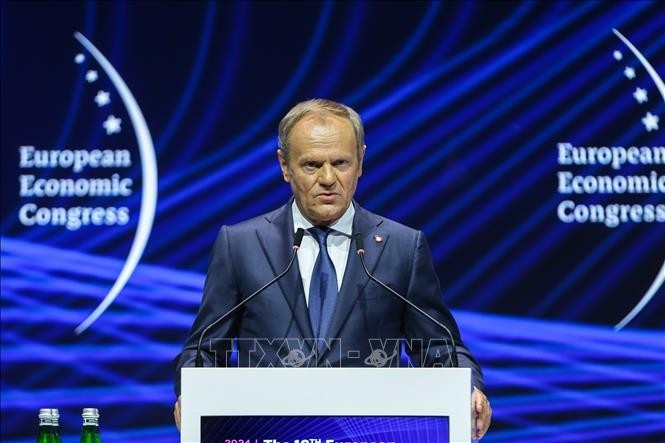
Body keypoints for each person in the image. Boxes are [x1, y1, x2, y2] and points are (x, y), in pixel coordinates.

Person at [173, 98, 492, 439]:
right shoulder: (241, 245)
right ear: (284, 165)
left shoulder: (402, 246)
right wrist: (191, 394)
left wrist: (470, 389)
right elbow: (204, 349)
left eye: (340, 162)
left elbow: (441, 348)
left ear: (360, 162)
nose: (328, 178)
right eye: (311, 165)